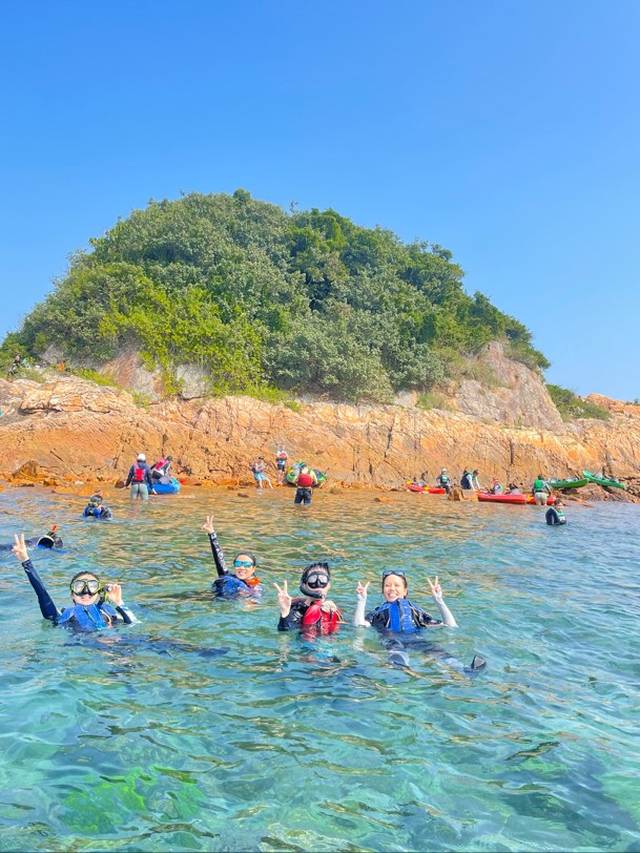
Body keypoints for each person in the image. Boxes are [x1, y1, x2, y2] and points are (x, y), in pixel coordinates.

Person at [354, 571, 485, 672]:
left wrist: (439, 601)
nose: (392, 588)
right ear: (383, 591)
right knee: (397, 655)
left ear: (405, 590)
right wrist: (361, 601)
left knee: (437, 651)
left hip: (415, 639)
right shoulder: (378, 612)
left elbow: (450, 626)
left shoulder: (415, 610)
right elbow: (359, 625)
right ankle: (401, 670)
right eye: (387, 585)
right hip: (392, 639)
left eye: (397, 585)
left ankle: (465, 670)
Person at [11, 533, 135, 630]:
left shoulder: (108, 611)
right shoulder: (63, 616)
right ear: (72, 594)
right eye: (79, 586)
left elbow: (133, 625)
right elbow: (42, 593)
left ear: (98, 593)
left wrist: (119, 602)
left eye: (92, 586)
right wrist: (26, 561)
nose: (86, 592)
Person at [202, 515, 262, 597]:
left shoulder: (254, 586)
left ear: (253, 569)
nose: (242, 567)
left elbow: (254, 601)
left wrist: (246, 598)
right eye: (238, 564)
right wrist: (212, 534)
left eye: (246, 565)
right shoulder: (227, 576)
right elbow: (219, 558)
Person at [274, 563, 341, 636]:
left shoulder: (334, 609)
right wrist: (284, 613)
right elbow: (284, 634)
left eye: (323, 579)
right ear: (304, 585)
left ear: (329, 585)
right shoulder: (296, 609)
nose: (318, 584)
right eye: (312, 579)